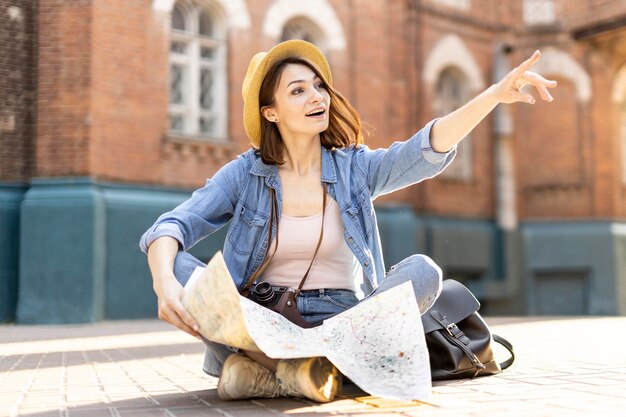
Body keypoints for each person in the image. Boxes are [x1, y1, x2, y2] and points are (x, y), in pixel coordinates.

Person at [140, 40, 556, 403]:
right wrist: (165, 285)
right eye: (298, 91)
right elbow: (171, 226)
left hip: (343, 322)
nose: (316, 97)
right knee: (176, 265)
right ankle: (306, 371)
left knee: (424, 272)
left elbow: (423, 150)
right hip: (259, 319)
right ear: (271, 113)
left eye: (318, 86)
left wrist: (495, 95)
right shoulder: (244, 174)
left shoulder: (354, 167)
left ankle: (272, 372)